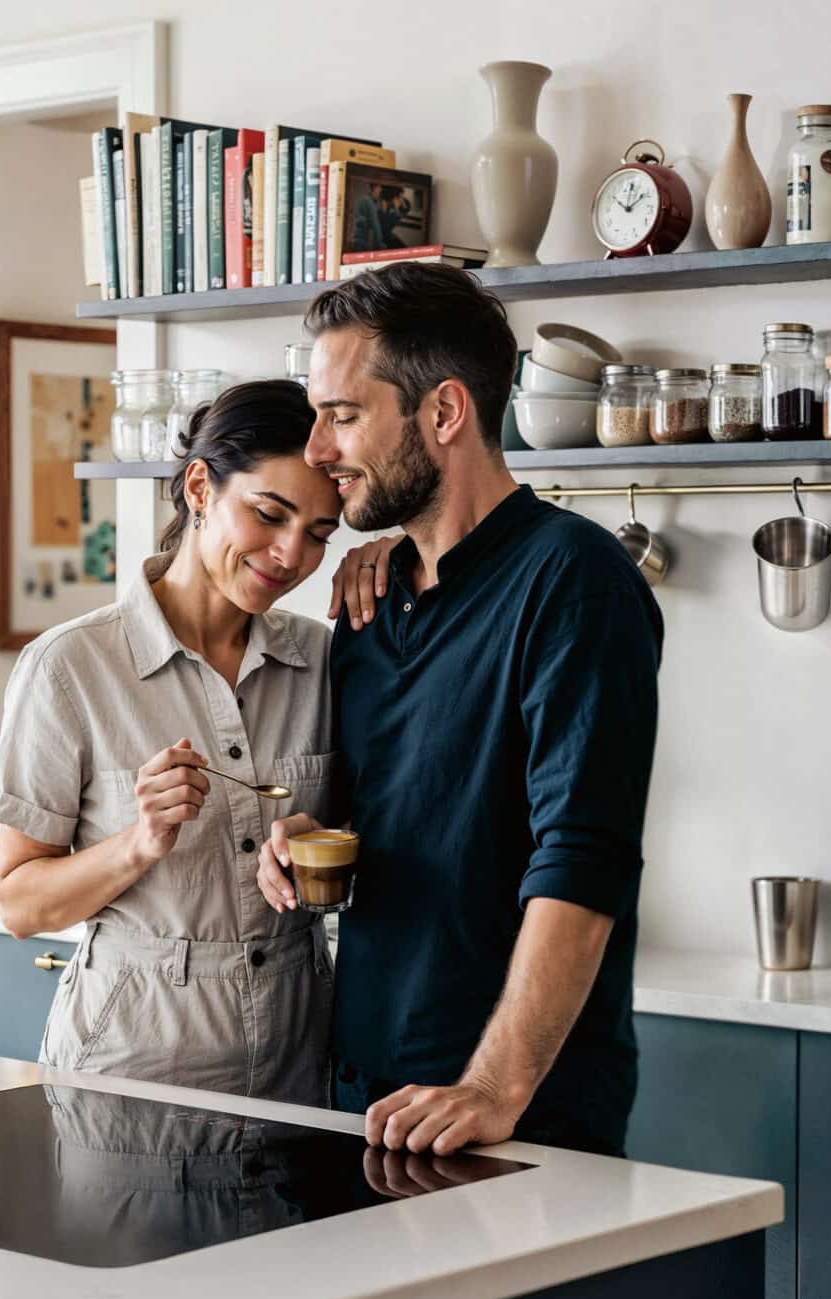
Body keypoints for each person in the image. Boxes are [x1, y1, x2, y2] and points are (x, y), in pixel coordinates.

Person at [257, 263, 663, 1157]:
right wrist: (310, 836)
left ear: (444, 414)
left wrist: (492, 1086)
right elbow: (408, 817)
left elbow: (584, 859)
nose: (319, 449)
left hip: (516, 1114)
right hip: (365, 1090)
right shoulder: (370, 602)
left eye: (346, 415)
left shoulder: (575, 580)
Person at [0, 380, 344, 1105]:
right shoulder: (72, 667)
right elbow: (20, 906)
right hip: (131, 1075)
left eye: (320, 535)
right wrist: (139, 842)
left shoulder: (324, 661)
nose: (290, 554)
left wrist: (318, 838)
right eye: (269, 514)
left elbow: (372, 835)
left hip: (303, 1071)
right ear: (202, 486)